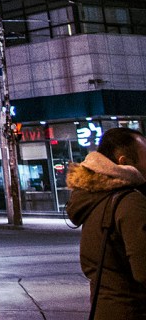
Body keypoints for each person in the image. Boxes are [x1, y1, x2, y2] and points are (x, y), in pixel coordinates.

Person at [67, 127, 146, 319]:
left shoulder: (96, 200)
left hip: (104, 310)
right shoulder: (130, 202)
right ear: (125, 162)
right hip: (133, 312)